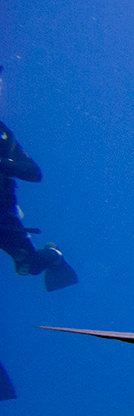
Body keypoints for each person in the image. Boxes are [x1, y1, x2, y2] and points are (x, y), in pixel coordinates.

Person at [0, 97, 77, 290]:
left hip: (2, 216)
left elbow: (34, 173)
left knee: (29, 264)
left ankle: (53, 256)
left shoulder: (5, 137)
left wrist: (3, 165)